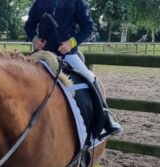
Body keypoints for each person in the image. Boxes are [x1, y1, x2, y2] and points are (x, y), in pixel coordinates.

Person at [24, 0, 121, 135]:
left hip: (67, 54)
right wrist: (35, 39)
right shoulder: (40, 2)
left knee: (90, 77)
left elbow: (88, 27)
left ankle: (106, 119)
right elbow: (29, 25)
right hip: (43, 54)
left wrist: (71, 43)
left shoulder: (77, 2)